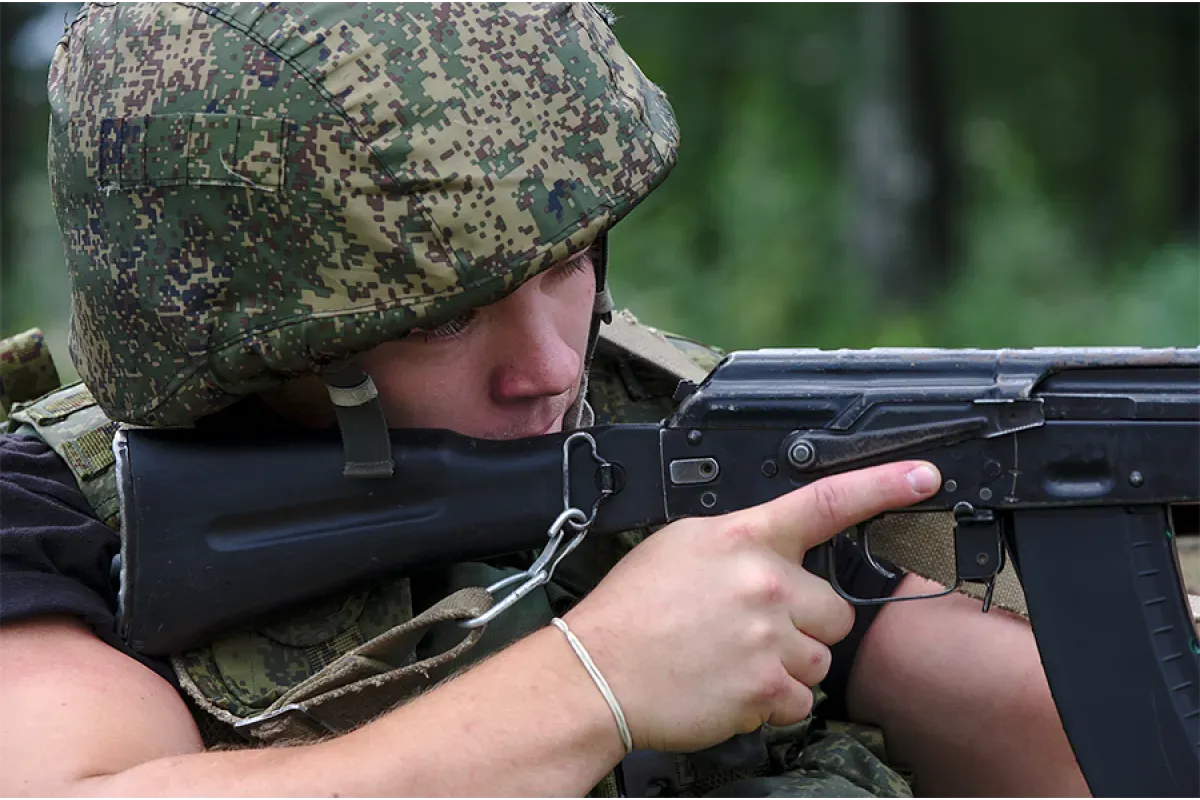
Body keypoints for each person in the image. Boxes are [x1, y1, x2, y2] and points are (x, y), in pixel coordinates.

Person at [0, 2, 1088, 798]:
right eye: (442, 316)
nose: (554, 365)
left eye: (569, 264)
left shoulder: (672, 438)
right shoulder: (57, 513)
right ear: (231, 336)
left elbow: (1088, 745)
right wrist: (601, 680)